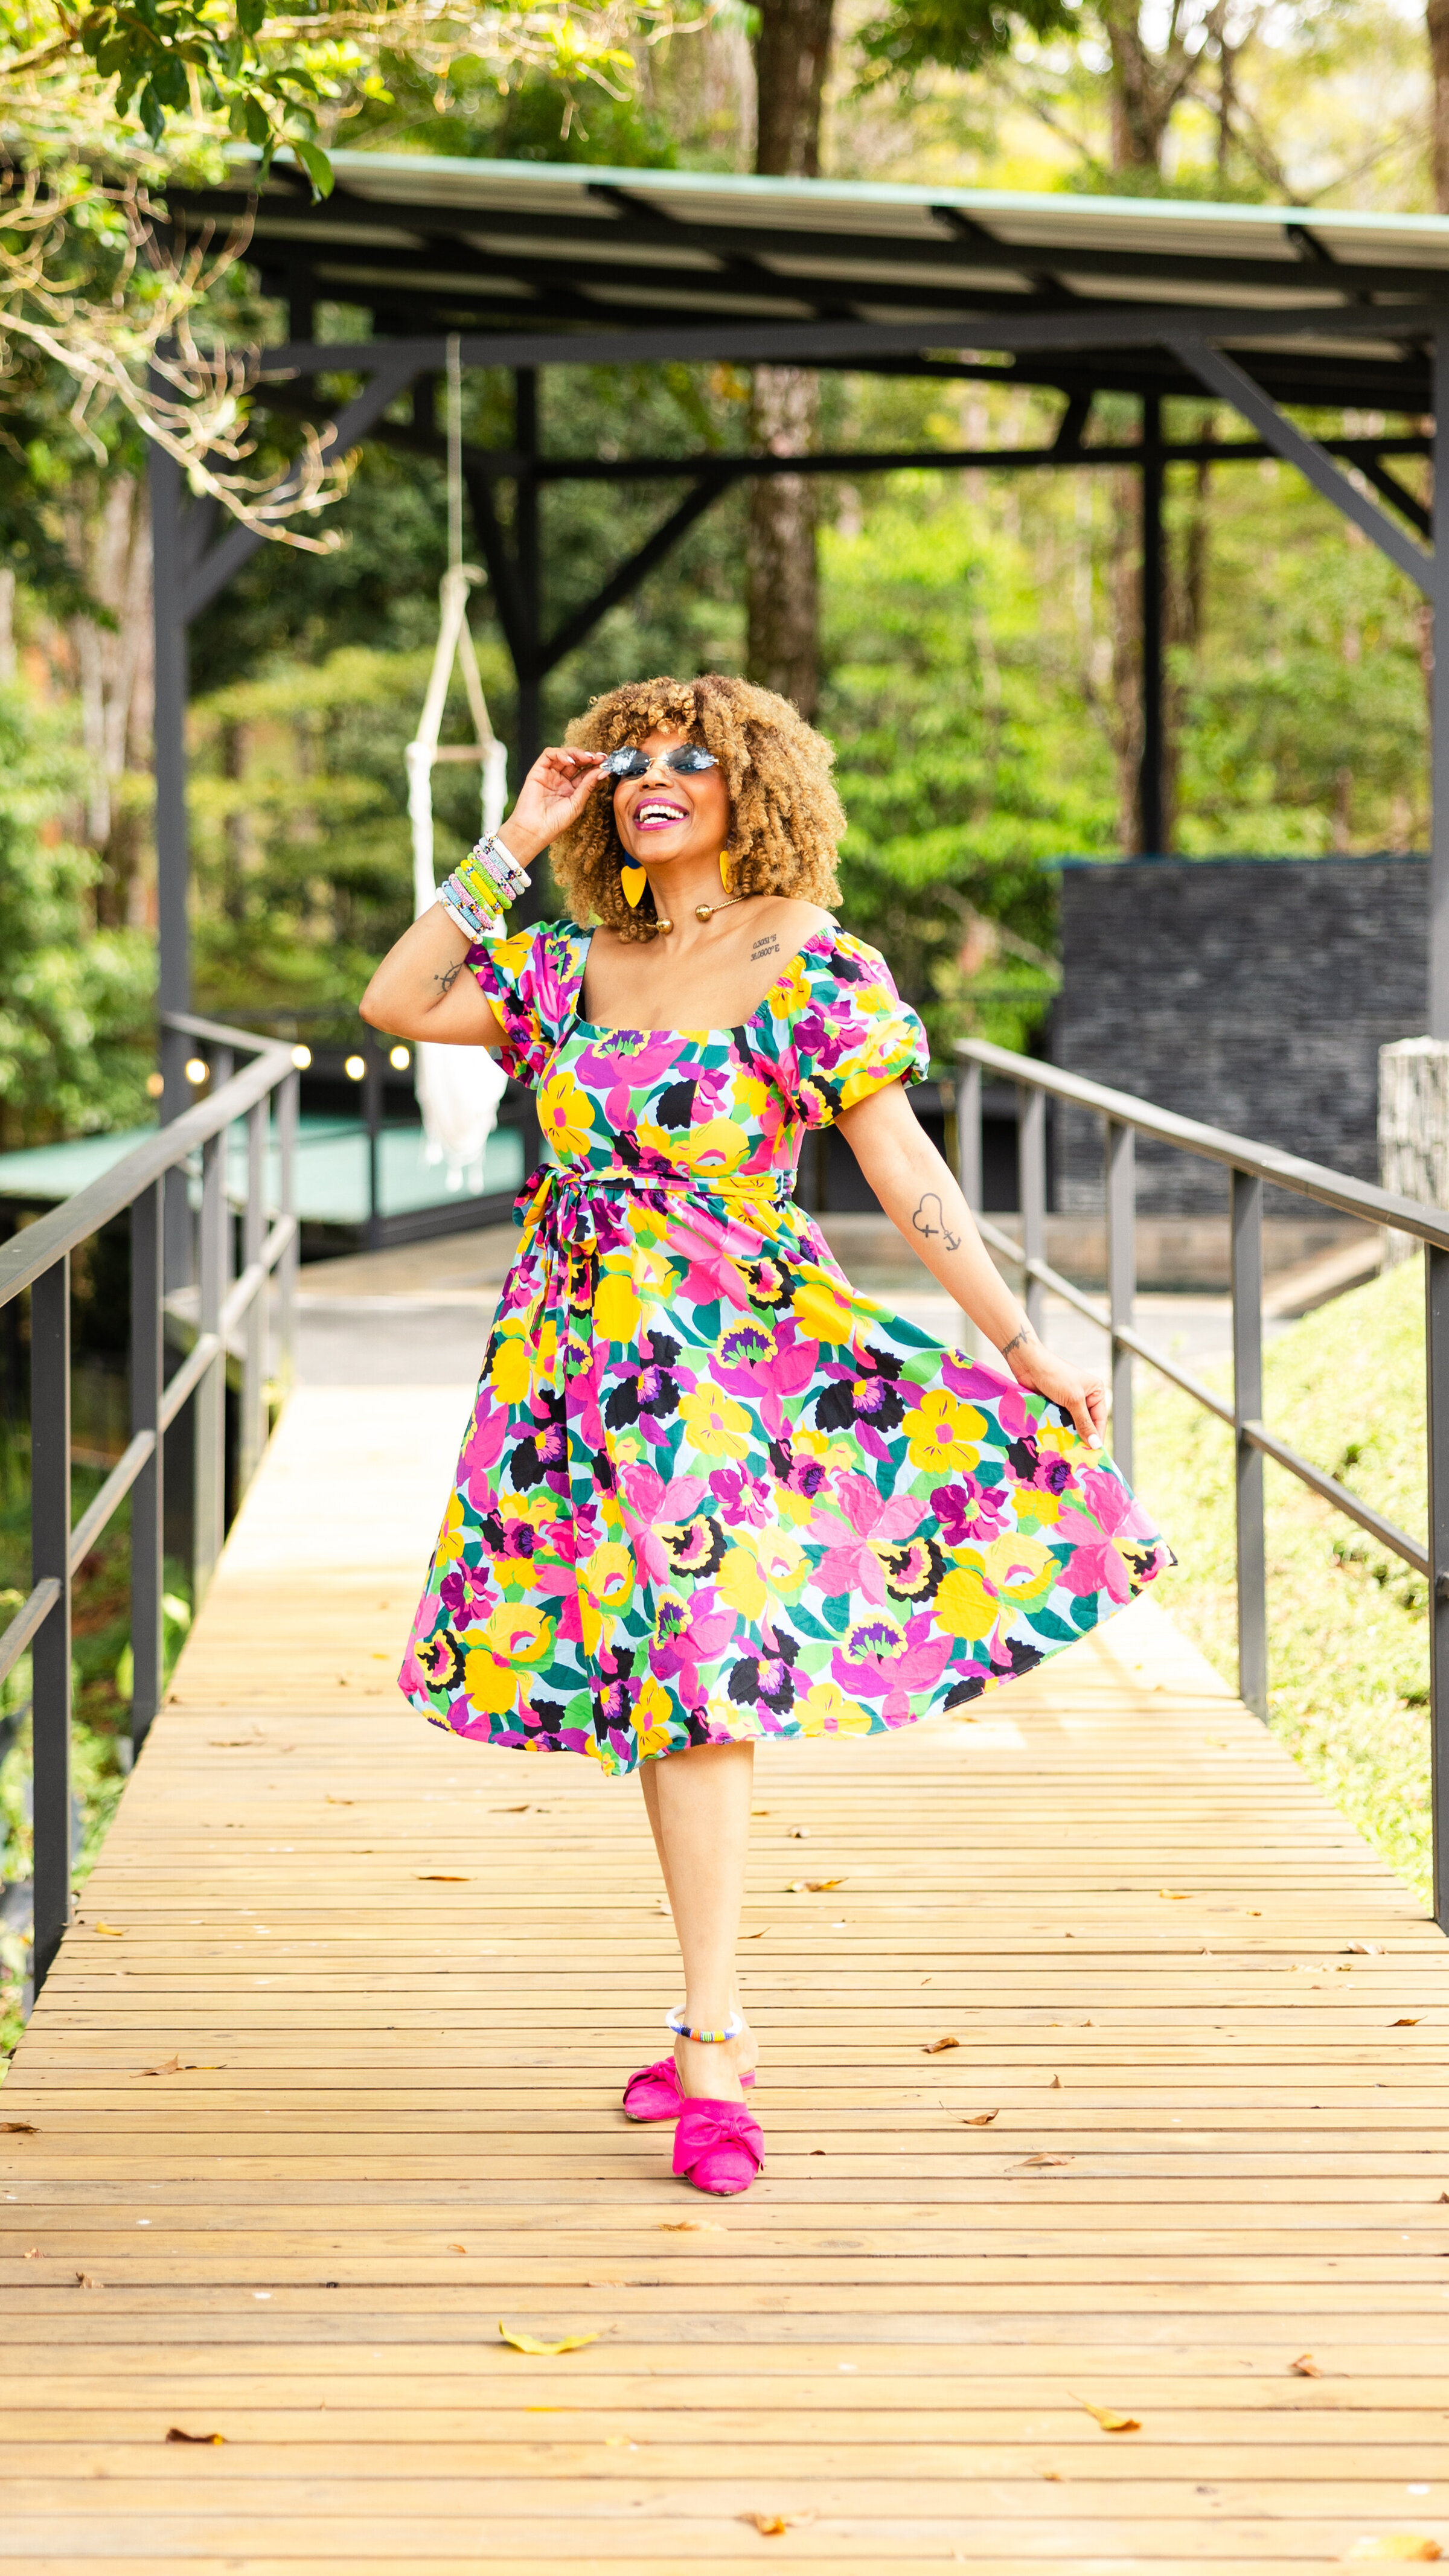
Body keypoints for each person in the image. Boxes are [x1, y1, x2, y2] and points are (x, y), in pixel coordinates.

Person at [361, 673, 1170, 2199]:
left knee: (699, 1681)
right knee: (667, 1692)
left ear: (753, 785)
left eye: (694, 758)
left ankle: (713, 2041)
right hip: (573, 1364)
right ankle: (703, 2030)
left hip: (735, 1359)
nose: (657, 778)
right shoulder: (571, 960)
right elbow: (398, 1002)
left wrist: (1019, 1342)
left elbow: (905, 1166)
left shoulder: (804, 957)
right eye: (634, 762)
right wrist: (518, 833)